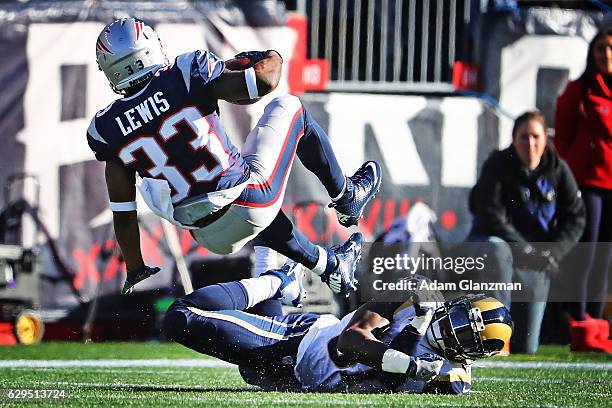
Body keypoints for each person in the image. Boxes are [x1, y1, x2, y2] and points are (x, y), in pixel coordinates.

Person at [86, 18, 381, 299]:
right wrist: (272, 55)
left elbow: (123, 213)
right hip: (248, 200)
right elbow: (264, 81)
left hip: (206, 235)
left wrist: (135, 267)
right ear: (150, 48)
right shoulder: (187, 71)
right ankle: (346, 194)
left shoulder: (105, 129)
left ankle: (328, 267)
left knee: (242, 191)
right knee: (291, 108)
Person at [163, 264, 513, 394]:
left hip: (294, 377)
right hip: (297, 343)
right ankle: (275, 281)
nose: (455, 330)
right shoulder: (412, 301)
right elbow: (351, 342)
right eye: (461, 318)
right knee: (180, 317)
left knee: (252, 373)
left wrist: (415, 342)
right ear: (458, 304)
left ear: (475, 354)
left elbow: (388, 383)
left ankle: (275, 273)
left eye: (468, 335)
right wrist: (417, 327)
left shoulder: (453, 378)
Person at [467, 110, 585, 354]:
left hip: (533, 261)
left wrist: (553, 253)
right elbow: (492, 217)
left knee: (527, 347)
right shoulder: (497, 165)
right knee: (495, 249)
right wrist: (528, 250)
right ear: (513, 139)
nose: (530, 144)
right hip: (496, 250)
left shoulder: (558, 169)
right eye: (523, 137)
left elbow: (576, 217)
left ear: (545, 139)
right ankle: (495, 333)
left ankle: (513, 341)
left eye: (535, 137)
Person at [554, 27, 612, 353]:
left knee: (605, 256)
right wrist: (572, 171)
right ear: (592, 53)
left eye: (611, 48)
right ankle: (577, 321)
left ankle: (595, 321)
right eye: (601, 48)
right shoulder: (581, 90)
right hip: (589, 183)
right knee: (586, 253)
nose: (606, 54)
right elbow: (561, 135)